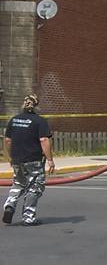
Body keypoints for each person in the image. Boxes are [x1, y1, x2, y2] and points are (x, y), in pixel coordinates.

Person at [3, 94, 54, 226]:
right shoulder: (39, 121)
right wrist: (50, 160)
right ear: (36, 106)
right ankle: (28, 217)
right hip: (33, 160)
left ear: (23, 104)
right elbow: (44, 140)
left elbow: (8, 140)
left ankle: (10, 204)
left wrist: (10, 157)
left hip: (17, 159)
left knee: (18, 183)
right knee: (35, 187)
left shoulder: (13, 120)